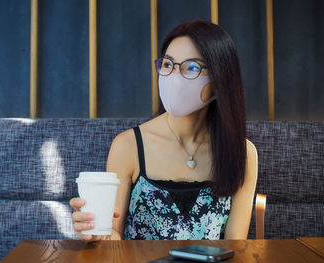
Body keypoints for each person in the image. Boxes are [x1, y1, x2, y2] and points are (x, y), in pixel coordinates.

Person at [70, 19, 258, 242]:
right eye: (168, 64)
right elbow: (113, 236)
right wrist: (94, 232)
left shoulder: (242, 153)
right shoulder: (128, 145)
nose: (174, 78)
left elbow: (235, 246)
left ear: (220, 79)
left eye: (192, 67)